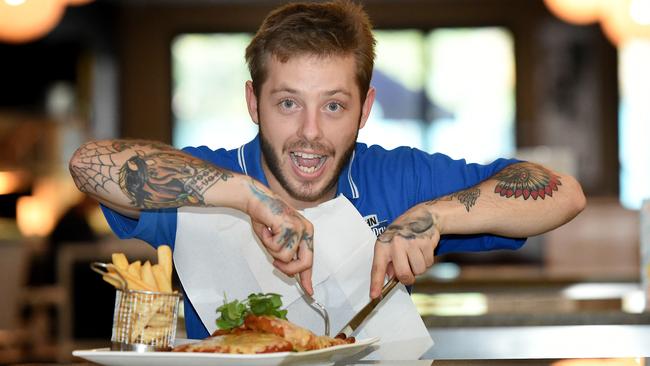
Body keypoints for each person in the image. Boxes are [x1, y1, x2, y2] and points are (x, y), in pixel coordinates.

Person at [68, 0, 586, 339]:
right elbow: (88, 164)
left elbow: (563, 193)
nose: (310, 132)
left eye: (334, 106)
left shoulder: (397, 178)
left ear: (365, 109)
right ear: (253, 102)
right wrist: (248, 197)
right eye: (288, 103)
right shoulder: (211, 177)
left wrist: (432, 215)